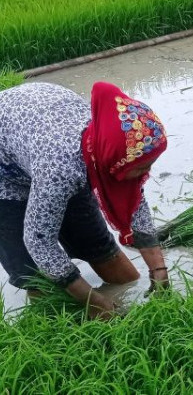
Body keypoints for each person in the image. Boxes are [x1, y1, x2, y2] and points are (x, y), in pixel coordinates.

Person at [0, 81, 169, 320]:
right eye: (142, 166)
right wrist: (94, 300)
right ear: (113, 158)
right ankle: (55, 332)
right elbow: (39, 241)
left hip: (39, 139)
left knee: (99, 247)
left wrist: (158, 270)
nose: (146, 173)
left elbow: (134, 201)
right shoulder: (62, 168)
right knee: (34, 273)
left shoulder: (109, 145)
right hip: (5, 178)